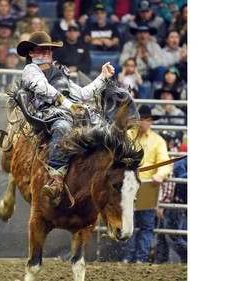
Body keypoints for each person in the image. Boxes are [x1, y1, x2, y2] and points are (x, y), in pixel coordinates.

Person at [16, 31, 116, 207]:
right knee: (62, 127)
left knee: (104, 127)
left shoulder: (60, 72)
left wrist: (102, 77)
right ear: (31, 53)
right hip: (48, 113)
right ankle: (56, 178)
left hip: (71, 110)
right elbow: (43, 88)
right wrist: (69, 105)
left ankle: (111, 168)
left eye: (49, 49)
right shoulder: (30, 70)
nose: (47, 52)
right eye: (41, 49)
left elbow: (82, 94)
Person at [120, 105, 171, 263]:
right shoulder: (126, 136)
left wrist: (160, 174)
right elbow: (117, 156)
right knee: (129, 224)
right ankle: (127, 258)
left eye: (147, 120)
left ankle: (139, 259)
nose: (145, 123)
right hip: (128, 185)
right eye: (142, 120)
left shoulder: (157, 141)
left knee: (145, 225)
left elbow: (164, 162)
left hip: (149, 186)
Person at [155, 154, 187, 264]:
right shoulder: (168, 162)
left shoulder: (166, 163)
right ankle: (161, 260)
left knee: (172, 237)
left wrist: (162, 205)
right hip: (172, 204)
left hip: (171, 205)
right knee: (163, 235)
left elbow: (169, 188)